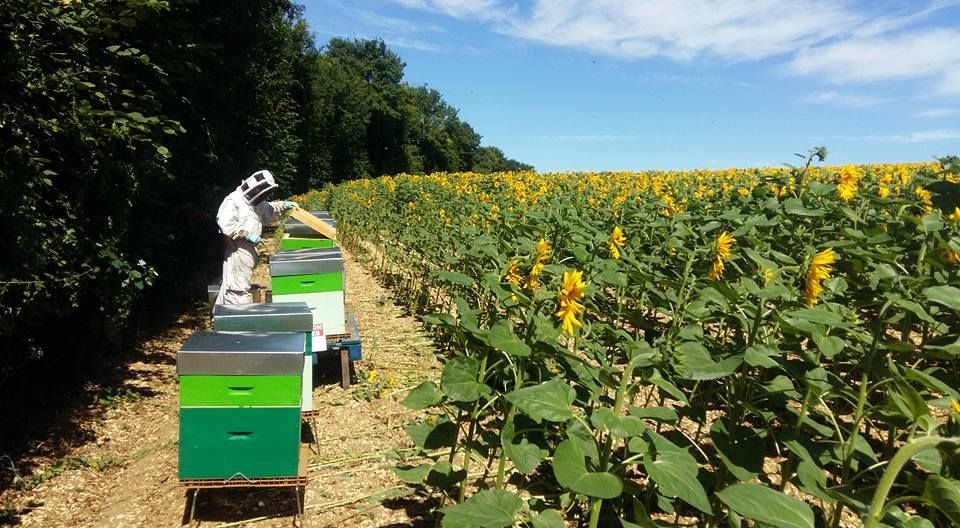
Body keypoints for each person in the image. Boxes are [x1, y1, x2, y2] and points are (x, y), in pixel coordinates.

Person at [215, 170, 297, 305]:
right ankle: (240, 321)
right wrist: (247, 234)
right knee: (237, 289)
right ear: (254, 187)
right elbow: (226, 224)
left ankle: (220, 318)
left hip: (248, 250)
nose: (262, 194)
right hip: (238, 250)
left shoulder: (254, 203)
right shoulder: (233, 200)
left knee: (230, 284)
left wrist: (284, 206)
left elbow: (268, 211)